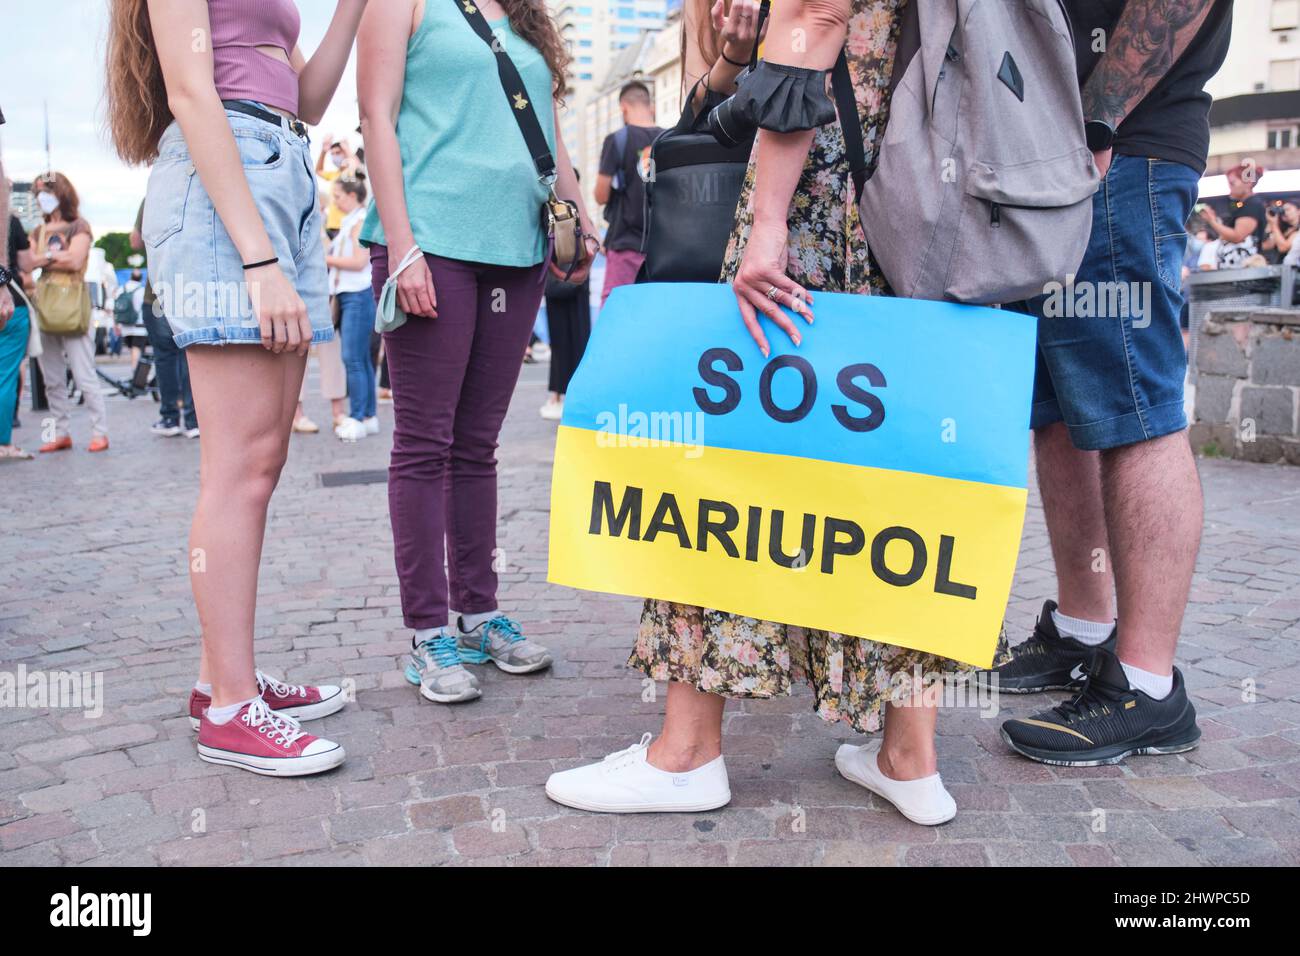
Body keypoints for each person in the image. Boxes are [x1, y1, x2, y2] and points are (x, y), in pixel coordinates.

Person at [546, 0, 985, 826]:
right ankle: (910, 756)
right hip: (923, 191)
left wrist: (769, 218)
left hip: (821, 185)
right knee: (906, 475)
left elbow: (817, 15)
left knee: (732, 459)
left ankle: (686, 753)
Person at [107, 0, 364, 776]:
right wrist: (258, 260)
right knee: (237, 469)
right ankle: (229, 708)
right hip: (230, 178)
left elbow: (307, 98)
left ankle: (223, 677)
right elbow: (191, 90)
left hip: (281, 167)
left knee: (262, 462)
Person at [986, 0, 1231, 767]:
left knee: (1136, 409)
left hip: (1119, 149)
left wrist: (1095, 124)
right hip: (1049, 158)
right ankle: (1082, 631)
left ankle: (1149, 689)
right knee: (1061, 408)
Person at [358, 0, 596, 704]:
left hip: (515, 246)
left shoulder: (525, 13)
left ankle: (478, 615)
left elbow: (549, 131)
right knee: (423, 443)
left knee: (476, 446)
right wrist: (401, 245)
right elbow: (376, 116)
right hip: (432, 238)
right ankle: (428, 631)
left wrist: (579, 215)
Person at [30, 172, 109, 454]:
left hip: (74, 304)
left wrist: (45, 258)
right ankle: (58, 433)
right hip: (45, 305)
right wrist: (54, 258)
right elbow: (28, 262)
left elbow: (76, 260)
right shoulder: (38, 230)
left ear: (61, 192)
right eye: (38, 192)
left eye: (45, 191)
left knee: (84, 373)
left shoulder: (79, 225)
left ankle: (99, 432)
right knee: (51, 380)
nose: (41, 197)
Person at [132, 201, 198, 437]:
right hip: (192, 291)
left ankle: (170, 417)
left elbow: (135, 241)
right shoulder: (199, 191)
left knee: (165, 358)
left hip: (158, 293)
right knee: (194, 355)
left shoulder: (153, 197)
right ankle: (194, 420)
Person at [594, 81, 661, 307]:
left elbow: (601, 196)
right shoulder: (670, 138)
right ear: (650, 106)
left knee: (617, 308)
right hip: (663, 247)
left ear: (623, 107)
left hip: (625, 242)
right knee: (655, 309)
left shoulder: (617, 140)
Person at [325, 176, 377, 441]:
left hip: (357, 294)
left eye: (339, 196)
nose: (336, 202)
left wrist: (326, 258)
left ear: (353, 196)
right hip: (352, 294)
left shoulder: (359, 221)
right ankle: (367, 415)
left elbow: (359, 262)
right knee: (361, 358)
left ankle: (358, 417)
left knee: (353, 358)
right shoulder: (351, 221)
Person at [539, 168, 590, 421]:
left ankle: (563, 394)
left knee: (571, 340)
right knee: (567, 340)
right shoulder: (569, 209)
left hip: (564, 277)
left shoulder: (555, 208)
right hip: (566, 279)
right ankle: (563, 394)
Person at [1, 132, 35, 461]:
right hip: (11, 302)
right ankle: (3, 442)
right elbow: (25, 264)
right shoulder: (12, 221)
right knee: (6, 375)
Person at [1201, 160, 1266, 269]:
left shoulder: (1252, 205)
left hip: (1244, 270)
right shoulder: (1246, 205)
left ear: (1248, 182)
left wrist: (1212, 221)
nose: (1230, 187)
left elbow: (1237, 236)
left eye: (1232, 183)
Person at [1262, 199, 1297, 263]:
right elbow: (1265, 246)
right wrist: (1270, 223)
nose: (1284, 212)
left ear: (1298, 211)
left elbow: (1283, 248)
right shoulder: (1282, 229)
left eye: (1288, 209)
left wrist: (1274, 225)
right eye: (1283, 210)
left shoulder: (1298, 230)